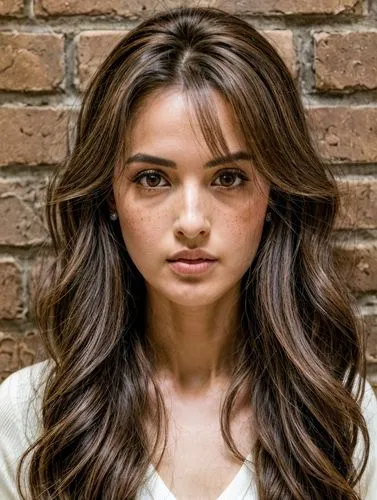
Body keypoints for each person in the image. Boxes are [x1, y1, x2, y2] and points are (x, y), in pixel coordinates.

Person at [1, 5, 377, 499]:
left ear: (274, 196)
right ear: (110, 197)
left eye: (229, 178)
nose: (193, 222)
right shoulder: (31, 418)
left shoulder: (338, 415)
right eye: (153, 178)